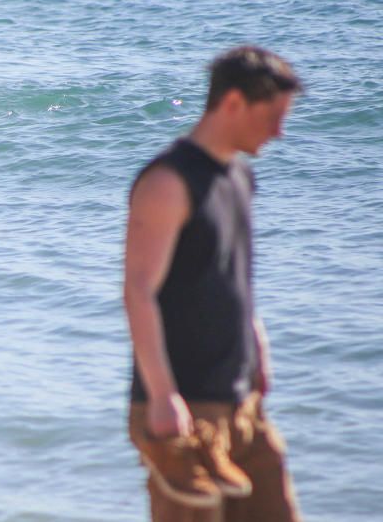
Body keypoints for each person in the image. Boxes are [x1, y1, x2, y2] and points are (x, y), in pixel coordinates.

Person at [123, 46, 304, 521]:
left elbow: (232, 276)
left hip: (241, 398)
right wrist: (163, 398)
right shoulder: (168, 181)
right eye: (273, 116)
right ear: (233, 104)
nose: (280, 131)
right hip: (185, 407)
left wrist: (257, 348)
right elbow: (139, 292)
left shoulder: (239, 175)